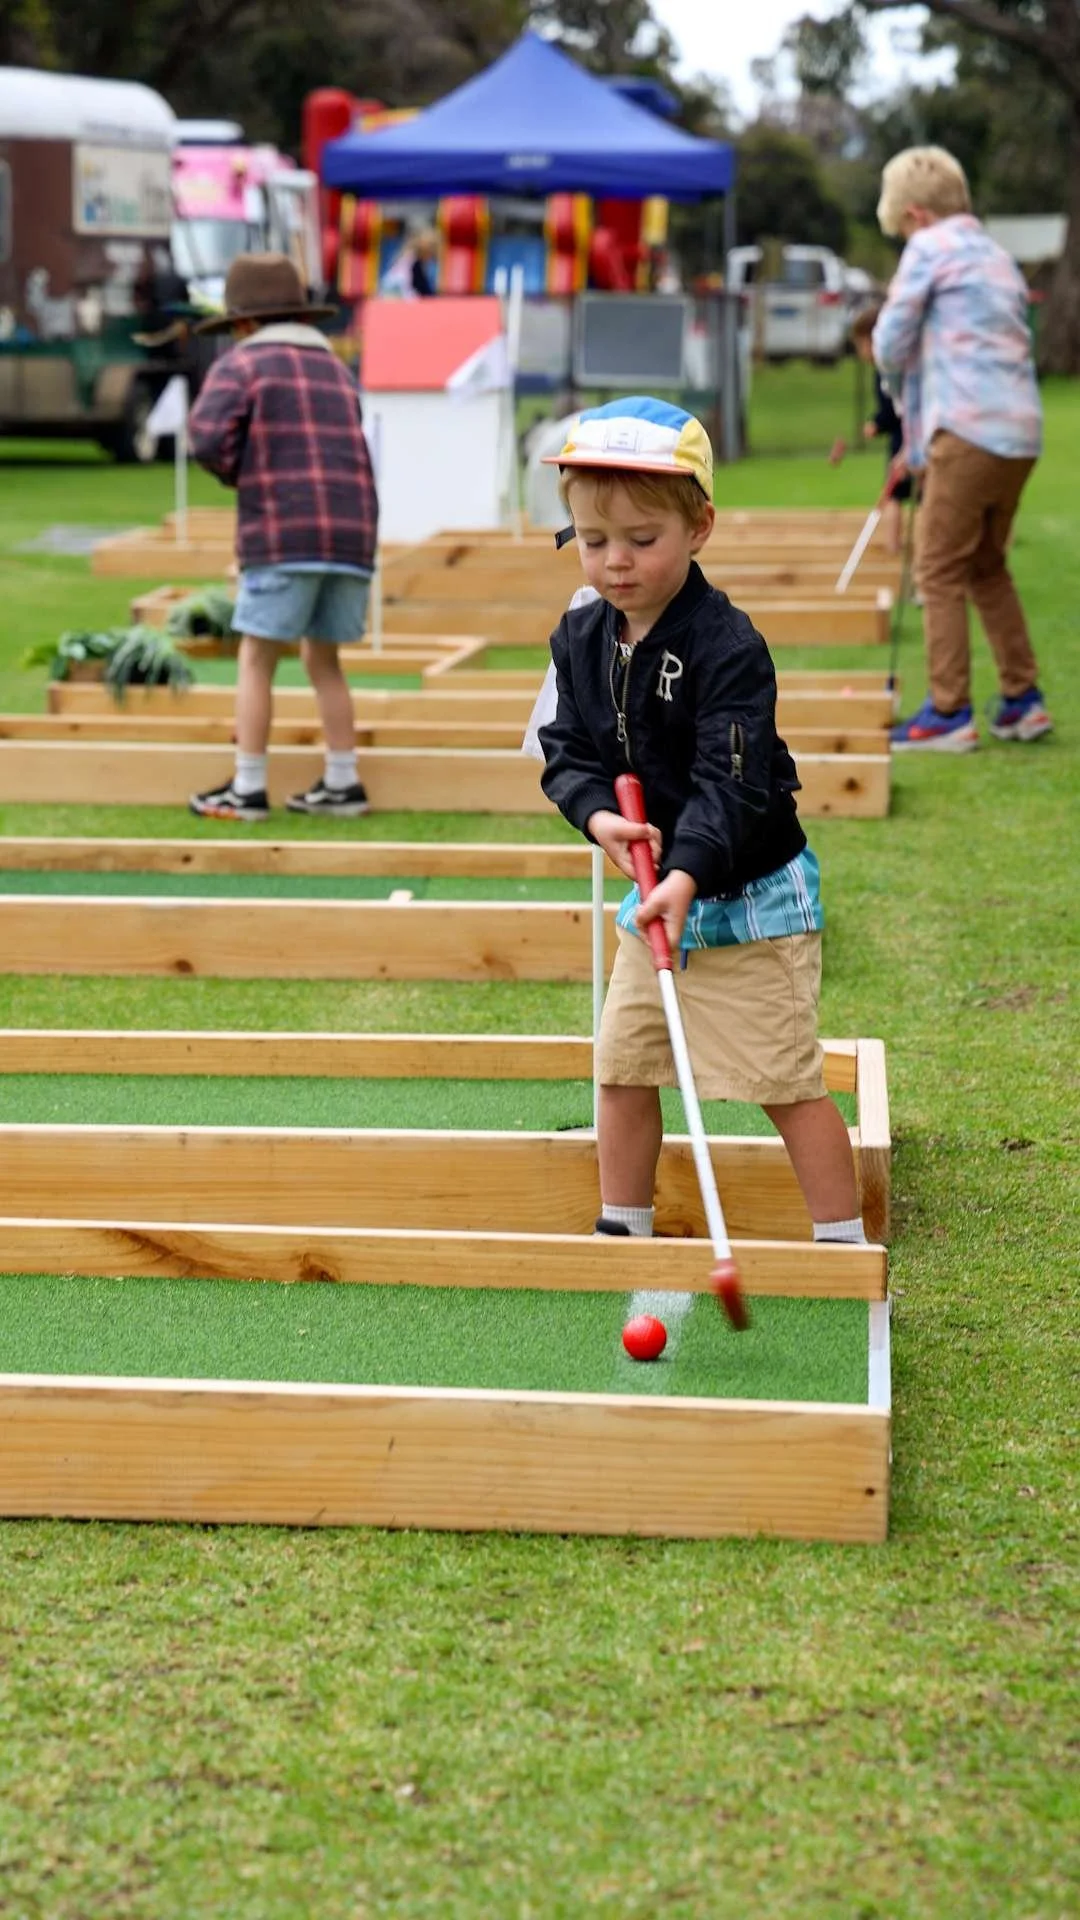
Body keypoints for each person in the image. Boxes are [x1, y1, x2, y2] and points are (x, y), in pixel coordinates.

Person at [537, 397, 865, 1247]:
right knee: (623, 1065)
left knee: (785, 1078)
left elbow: (734, 787)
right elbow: (565, 747)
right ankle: (624, 1227)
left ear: (699, 528)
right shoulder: (580, 636)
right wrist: (599, 817)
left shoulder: (729, 648)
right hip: (652, 894)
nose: (615, 563)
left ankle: (839, 1245)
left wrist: (686, 873)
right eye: (594, 539)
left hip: (747, 892)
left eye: (642, 541)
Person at [186, 252, 378, 820]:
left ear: (242, 323)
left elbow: (204, 437)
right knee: (325, 660)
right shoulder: (337, 368)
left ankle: (247, 787)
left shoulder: (243, 365)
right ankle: (343, 782)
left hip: (282, 530)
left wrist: (235, 471)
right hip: (352, 537)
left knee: (257, 657)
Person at [872, 145, 1052, 751]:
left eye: (901, 229)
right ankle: (1022, 700)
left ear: (916, 216)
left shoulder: (929, 248)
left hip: (969, 431)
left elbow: (892, 341)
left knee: (937, 566)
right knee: (984, 564)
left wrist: (892, 387)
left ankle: (948, 711)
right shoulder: (996, 254)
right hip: (1019, 435)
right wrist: (918, 442)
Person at [849, 301, 910, 558]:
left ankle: (896, 545)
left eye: (860, 343)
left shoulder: (890, 369)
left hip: (909, 435)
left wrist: (878, 423)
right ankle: (895, 545)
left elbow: (894, 409)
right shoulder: (889, 368)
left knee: (897, 492)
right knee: (902, 492)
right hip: (906, 433)